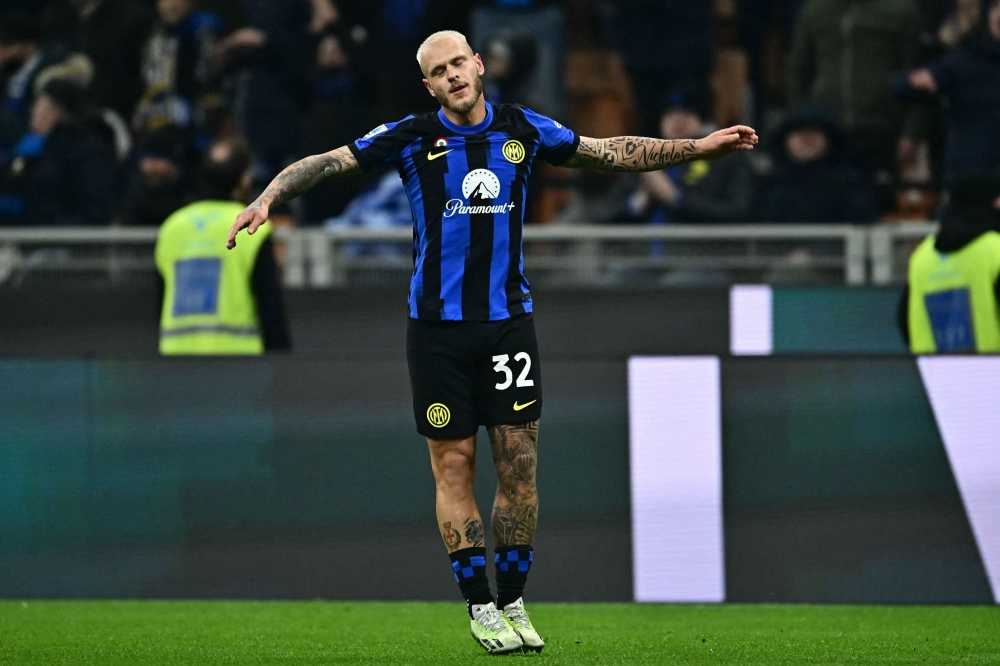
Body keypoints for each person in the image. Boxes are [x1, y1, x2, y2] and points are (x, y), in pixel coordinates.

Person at [226, 30, 756, 654]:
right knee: (454, 465)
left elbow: (609, 151)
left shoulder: (524, 129)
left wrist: (698, 147)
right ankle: (480, 608)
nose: (451, 75)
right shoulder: (413, 136)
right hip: (436, 333)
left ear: (477, 65)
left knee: (520, 467)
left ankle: (514, 600)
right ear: (428, 85)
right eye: (437, 71)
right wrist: (267, 196)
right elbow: (328, 162)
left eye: (458, 63)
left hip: (508, 325)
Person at [156, 136, 290, 355]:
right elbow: (270, 309)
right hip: (240, 363)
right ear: (244, 179)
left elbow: (160, 303)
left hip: (176, 361)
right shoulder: (252, 227)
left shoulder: (172, 228)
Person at [786, 0, 923, 211]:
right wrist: (801, 122)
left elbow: (917, 74)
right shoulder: (815, 11)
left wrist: (912, 131)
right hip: (829, 133)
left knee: (880, 206)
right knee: (826, 208)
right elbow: (798, 70)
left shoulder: (900, 10)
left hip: (882, 130)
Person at [894, 0, 1000, 184]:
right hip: (970, 177)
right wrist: (916, 81)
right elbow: (901, 87)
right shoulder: (966, 60)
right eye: (995, 6)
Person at [900, 172, 1000, 353]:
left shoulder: (922, 256)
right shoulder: (996, 249)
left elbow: (904, 320)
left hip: (936, 376)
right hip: (991, 375)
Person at [0, 78, 114, 226]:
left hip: (66, 240)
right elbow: (10, 181)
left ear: (55, 111)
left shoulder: (85, 151)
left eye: (39, 104)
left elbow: (93, 207)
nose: (32, 110)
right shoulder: (35, 144)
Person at [628, 101, 753, 224]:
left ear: (703, 121)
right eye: (670, 114)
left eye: (686, 114)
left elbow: (738, 211)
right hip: (641, 244)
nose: (678, 121)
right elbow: (610, 214)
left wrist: (676, 198)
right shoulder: (642, 161)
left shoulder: (725, 159)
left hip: (697, 243)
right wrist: (639, 201)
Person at [756, 103, 877, 223]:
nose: (807, 138)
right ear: (784, 140)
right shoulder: (769, 184)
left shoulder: (851, 184)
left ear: (831, 139)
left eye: (815, 131)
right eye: (799, 131)